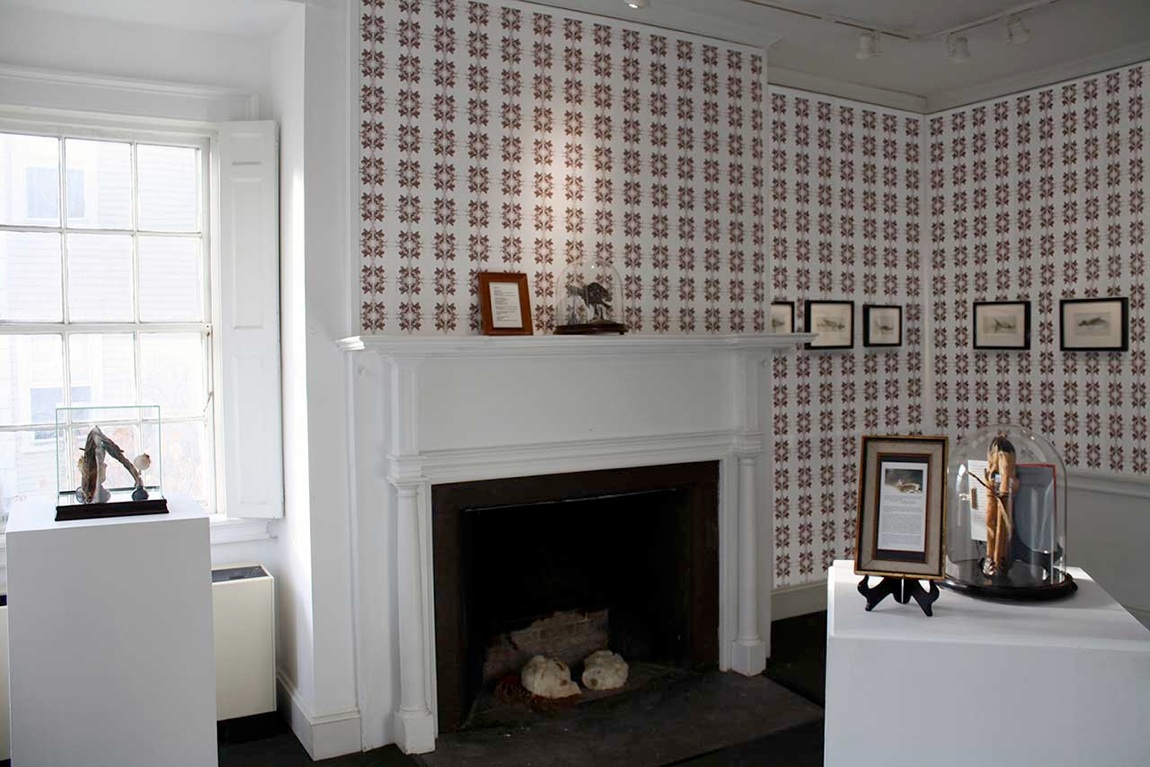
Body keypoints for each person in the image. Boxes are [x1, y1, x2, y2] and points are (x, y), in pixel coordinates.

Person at [982, 434, 1018, 577]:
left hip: (1005, 497)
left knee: (1002, 529)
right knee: (991, 524)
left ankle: (1000, 559)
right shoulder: (993, 467)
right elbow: (992, 474)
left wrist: (1005, 483)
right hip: (994, 495)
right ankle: (991, 558)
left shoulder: (1007, 462)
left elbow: (1012, 480)